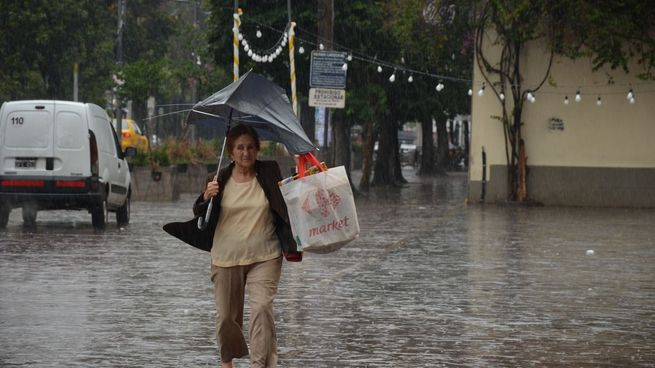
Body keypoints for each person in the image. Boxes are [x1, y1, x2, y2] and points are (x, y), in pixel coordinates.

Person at [193, 124, 301, 368]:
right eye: (240, 148)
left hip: (265, 255)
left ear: (258, 150)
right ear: (230, 151)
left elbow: (289, 198)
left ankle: (260, 364)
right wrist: (206, 197)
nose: (245, 153)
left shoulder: (270, 172)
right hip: (226, 257)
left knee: (262, 308)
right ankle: (227, 362)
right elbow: (200, 214)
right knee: (226, 319)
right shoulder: (217, 179)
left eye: (251, 147)